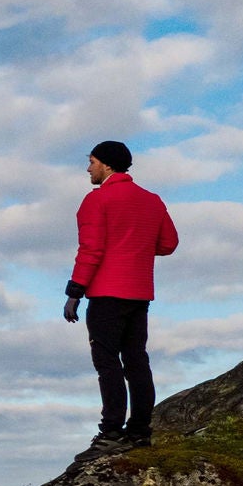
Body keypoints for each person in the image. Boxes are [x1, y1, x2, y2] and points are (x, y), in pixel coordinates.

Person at [64, 140, 177, 460]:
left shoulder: (96, 201)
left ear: (107, 165)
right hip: (139, 293)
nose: (88, 168)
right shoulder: (152, 200)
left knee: (107, 363)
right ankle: (140, 432)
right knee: (137, 361)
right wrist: (135, 245)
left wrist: (74, 292)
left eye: (92, 162)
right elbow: (168, 243)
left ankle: (111, 432)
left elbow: (91, 250)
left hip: (105, 293)